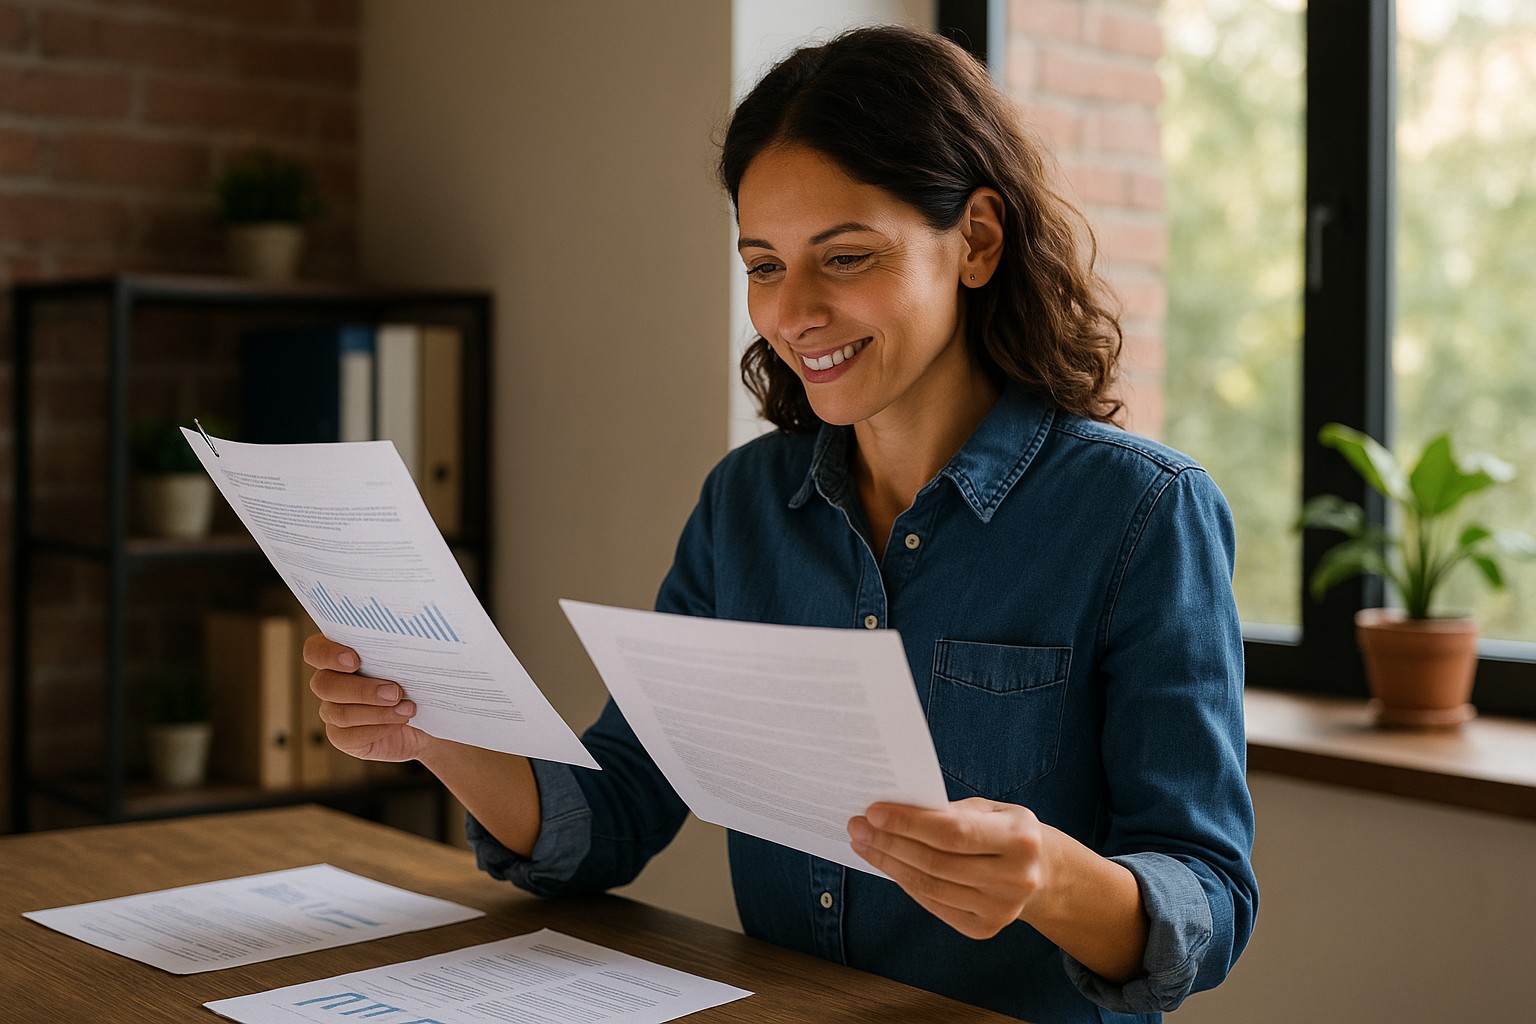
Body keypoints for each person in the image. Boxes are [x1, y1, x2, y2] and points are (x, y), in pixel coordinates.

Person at [306, 24, 1256, 1024]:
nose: (793, 312)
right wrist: (430, 727)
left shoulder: (1143, 511)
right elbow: (617, 810)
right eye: (763, 265)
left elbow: (1210, 896)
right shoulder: (744, 504)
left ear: (976, 241)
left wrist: (1050, 878)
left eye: (845, 257)